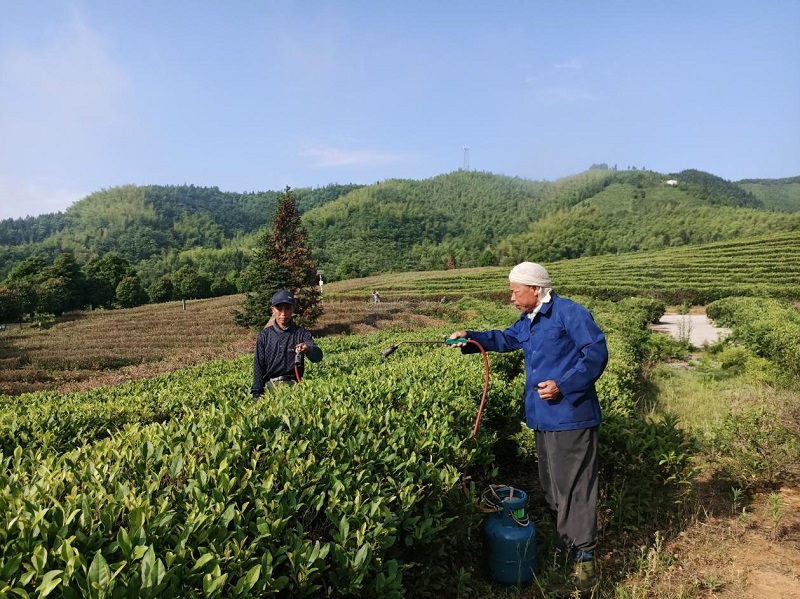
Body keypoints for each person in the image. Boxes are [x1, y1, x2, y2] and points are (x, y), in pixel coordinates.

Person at [448, 262, 608, 593]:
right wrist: (471, 339)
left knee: (575, 487)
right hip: (542, 418)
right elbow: (506, 338)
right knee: (553, 486)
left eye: (515, 291)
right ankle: (567, 546)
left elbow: (596, 353)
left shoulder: (569, 313)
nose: (511, 297)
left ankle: (585, 560)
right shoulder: (530, 320)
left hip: (571, 417)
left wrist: (564, 385)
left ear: (535, 289)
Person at [251, 289, 323, 399]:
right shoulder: (264, 336)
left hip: (294, 388)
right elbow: (258, 366)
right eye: (279, 308)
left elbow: (318, 356)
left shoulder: (301, 333)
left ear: (293, 309)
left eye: (288, 308)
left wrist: (308, 348)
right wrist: (256, 394)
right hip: (270, 388)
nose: (283, 313)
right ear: (273, 310)